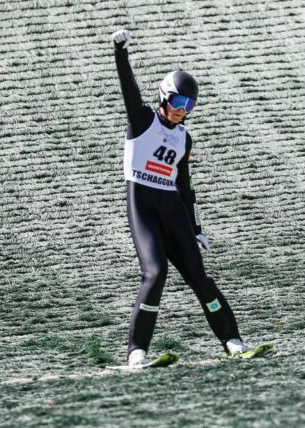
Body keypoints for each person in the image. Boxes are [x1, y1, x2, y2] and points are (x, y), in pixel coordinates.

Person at [112, 29, 248, 365]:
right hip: (143, 205)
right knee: (155, 274)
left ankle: (232, 340)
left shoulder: (184, 139)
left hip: (173, 209)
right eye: (177, 102)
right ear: (163, 98)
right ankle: (137, 352)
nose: (181, 110)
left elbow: (185, 186)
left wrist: (196, 226)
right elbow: (128, 89)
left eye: (188, 105)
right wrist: (120, 53)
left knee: (200, 278)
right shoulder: (141, 120)